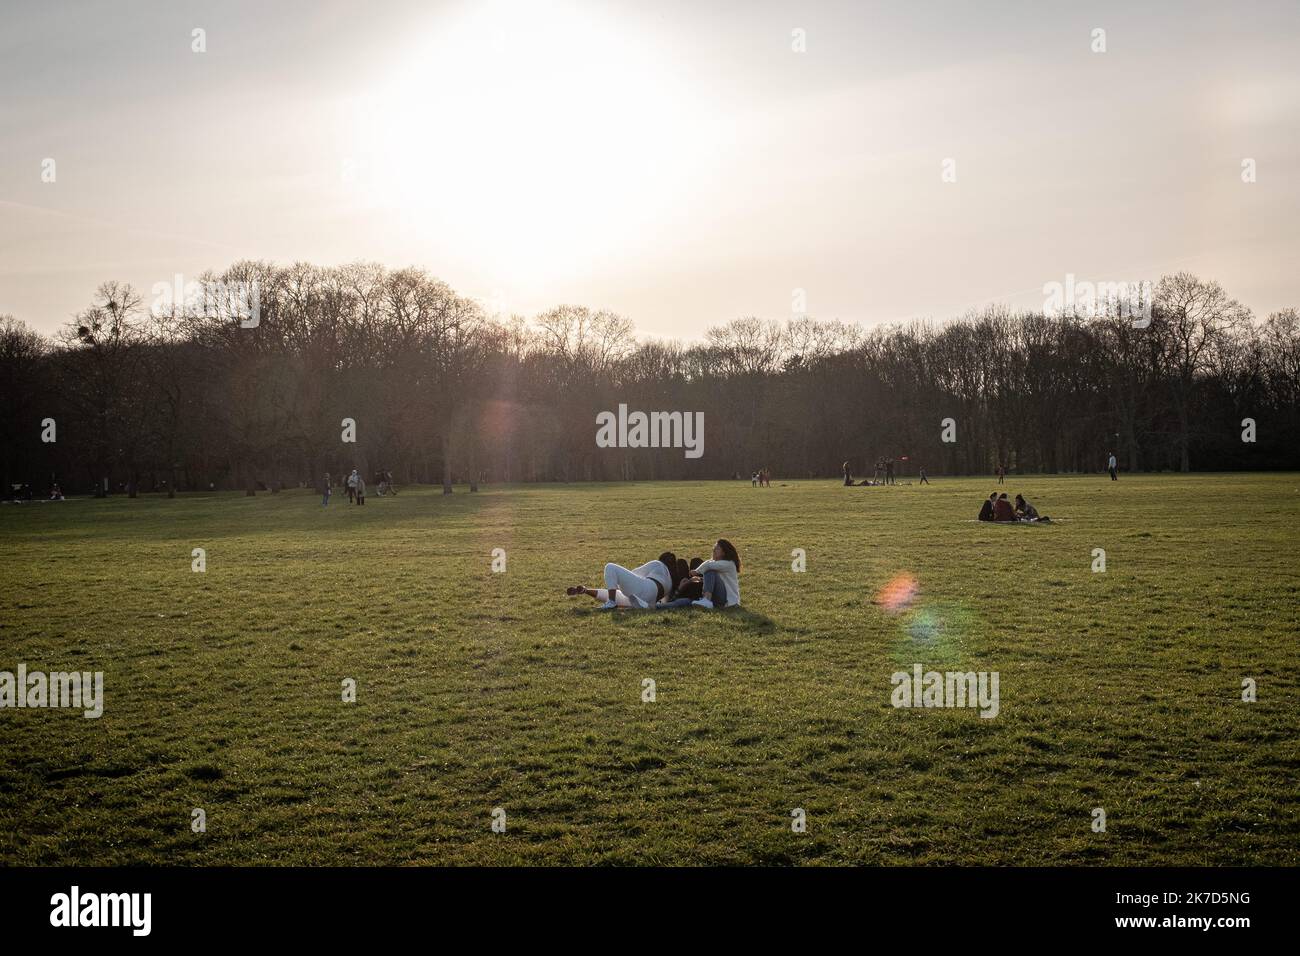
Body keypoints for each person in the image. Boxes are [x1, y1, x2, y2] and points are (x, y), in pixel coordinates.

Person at [569, 552, 675, 610]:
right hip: (648, 601)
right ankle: (585, 590)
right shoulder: (670, 582)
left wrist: (616, 582)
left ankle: (611, 602)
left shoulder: (658, 564)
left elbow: (635, 572)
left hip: (645, 590)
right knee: (620, 596)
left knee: (610, 567)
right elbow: (665, 601)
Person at [691, 539, 742, 609]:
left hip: (727, 601)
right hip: (718, 599)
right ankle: (671, 605)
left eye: (717, 548)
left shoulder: (729, 563)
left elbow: (708, 565)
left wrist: (696, 571)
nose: (714, 550)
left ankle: (706, 600)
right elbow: (715, 579)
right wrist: (700, 579)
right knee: (686, 602)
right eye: (714, 548)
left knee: (710, 571)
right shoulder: (717, 564)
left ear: (724, 552)